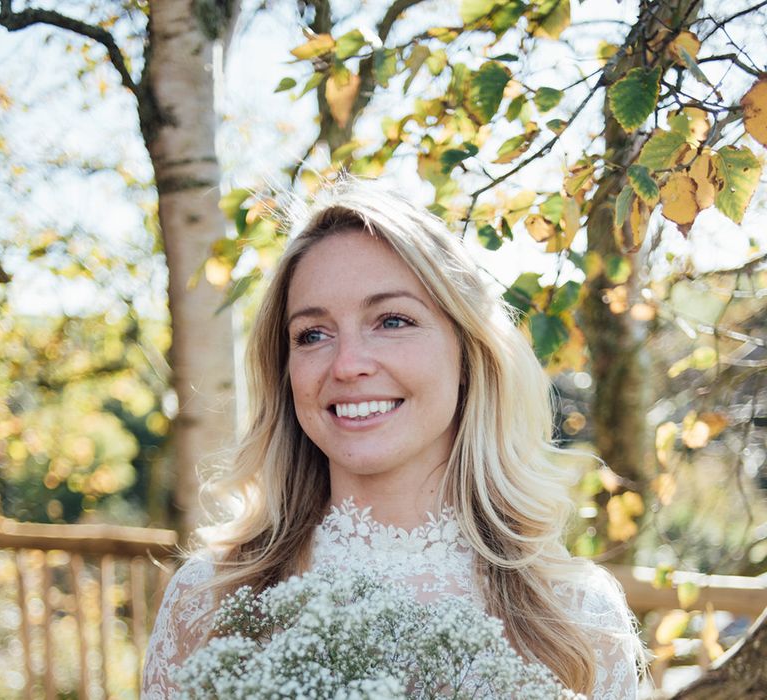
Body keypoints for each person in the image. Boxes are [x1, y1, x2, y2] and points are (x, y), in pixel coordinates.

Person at [141, 180, 643, 699]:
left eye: (392, 321)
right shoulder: (209, 600)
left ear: (468, 353)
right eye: (313, 334)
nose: (348, 364)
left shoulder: (577, 617)